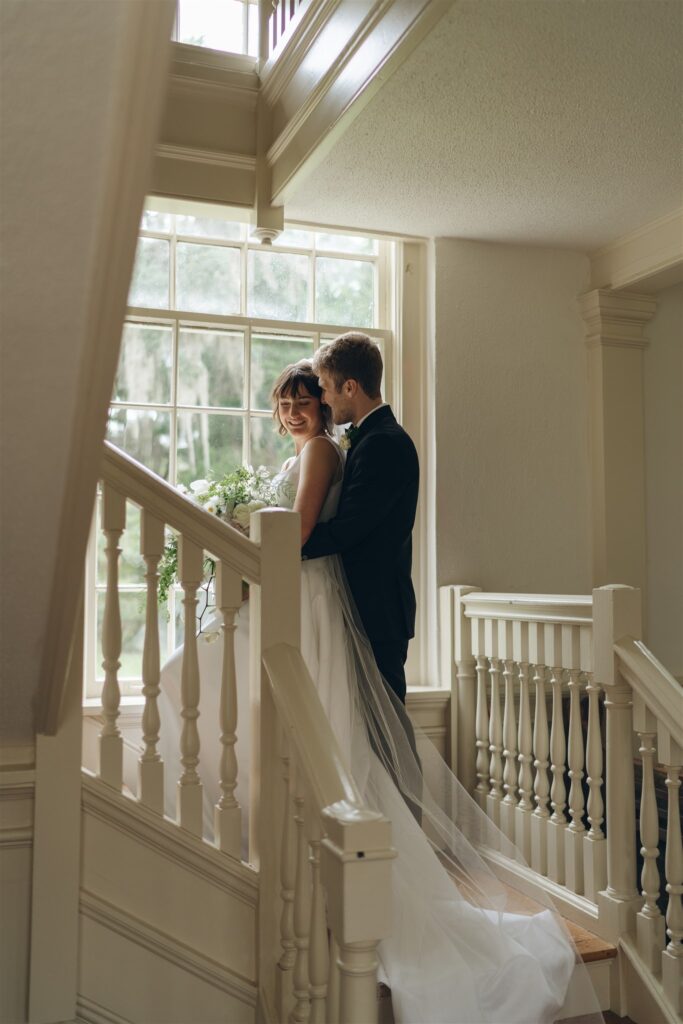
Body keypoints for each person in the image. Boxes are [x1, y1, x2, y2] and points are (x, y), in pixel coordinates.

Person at [156, 357, 601, 1024]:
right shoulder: (334, 447)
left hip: (310, 600)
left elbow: (309, 531)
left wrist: (254, 548)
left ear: (337, 396)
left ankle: (333, 871)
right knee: (243, 708)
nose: (297, 410)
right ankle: (264, 857)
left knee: (295, 723)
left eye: (309, 398)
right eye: (285, 402)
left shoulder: (337, 451)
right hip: (301, 595)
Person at [303, 332, 418, 707]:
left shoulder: (383, 443)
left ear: (349, 386)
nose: (322, 398)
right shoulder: (367, 437)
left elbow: (350, 528)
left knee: (387, 734)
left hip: (376, 612)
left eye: (324, 388)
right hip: (361, 608)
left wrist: (286, 543)